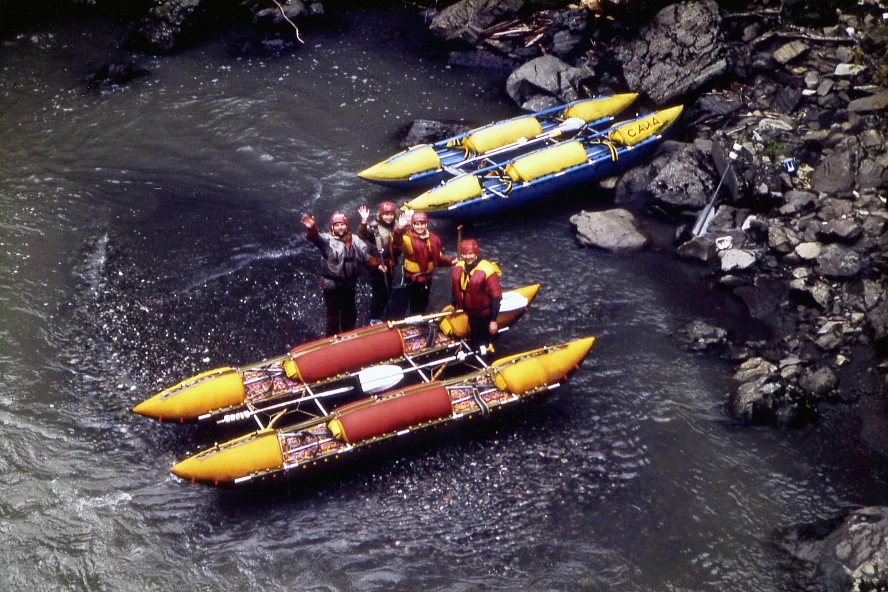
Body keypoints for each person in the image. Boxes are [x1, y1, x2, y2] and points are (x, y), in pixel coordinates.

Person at [301, 211, 386, 337]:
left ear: (346, 226)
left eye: (342, 224)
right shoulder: (326, 240)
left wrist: (377, 265)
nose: (340, 227)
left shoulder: (355, 240)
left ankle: (348, 337)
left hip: (348, 285)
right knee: (333, 315)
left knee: (349, 313)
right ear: (332, 227)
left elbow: (365, 257)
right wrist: (312, 228)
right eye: (337, 225)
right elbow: (315, 238)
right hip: (331, 286)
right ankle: (330, 340)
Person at [391, 208, 453, 315]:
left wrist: (451, 261)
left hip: (427, 277)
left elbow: (437, 258)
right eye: (417, 224)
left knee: (424, 301)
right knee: (415, 303)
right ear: (413, 225)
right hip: (414, 279)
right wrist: (399, 229)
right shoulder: (408, 239)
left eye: (422, 224)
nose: (420, 227)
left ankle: (422, 316)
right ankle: (415, 321)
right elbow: (397, 242)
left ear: (426, 225)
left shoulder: (432, 239)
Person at [450, 238, 502, 352]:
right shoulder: (459, 267)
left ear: (476, 254)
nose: (468, 257)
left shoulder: (487, 270)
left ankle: (485, 355)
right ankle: (475, 349)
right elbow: (456, 288)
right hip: (470, 312)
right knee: (475, 336)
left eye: (470, 254)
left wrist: (493, 320)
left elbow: (496, 297)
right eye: (464, 254)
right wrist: (454, 304)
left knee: (482, 340)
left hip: (484, 314)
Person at [357, 201, 399, 322]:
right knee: (378, 292)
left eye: (391, 214)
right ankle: (374, 317)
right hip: (377, 263)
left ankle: (383, 310)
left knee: (387, 289)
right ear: (380, 215)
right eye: (386, 214)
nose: (389, 217)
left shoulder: (396, 225)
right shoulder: (374, 228)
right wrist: (364, 221)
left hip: (390, 263)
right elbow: (361, 235)